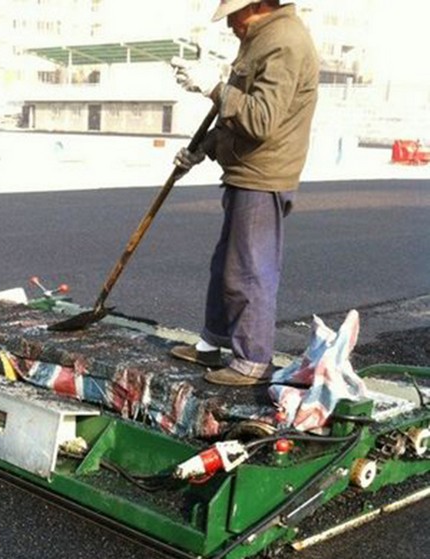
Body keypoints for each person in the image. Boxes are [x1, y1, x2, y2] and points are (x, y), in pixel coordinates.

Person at [169, 0, 319, 386]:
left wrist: (214, 88)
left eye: (233, 14)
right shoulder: (259, 38)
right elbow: (236, 120)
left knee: (248, 271)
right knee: (226, 266)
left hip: (263, 175)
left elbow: (260, 120)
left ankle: (252, 361)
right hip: (244, 170)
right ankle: (212, 343)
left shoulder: (283, 41)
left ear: (255, 6)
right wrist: (203, 148)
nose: (230, 24)